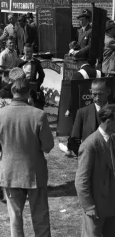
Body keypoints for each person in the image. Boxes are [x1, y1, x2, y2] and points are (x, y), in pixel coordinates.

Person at [0, 77, 54, 237]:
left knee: (15, 218)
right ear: (29, 93)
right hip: (35, 173)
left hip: (10, 173)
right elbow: (48, 146)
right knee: (40, 216)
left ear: (12, 93)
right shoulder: (38, 115)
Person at [75, 104, 115, 236]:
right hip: (96, 206)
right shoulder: (90, 145)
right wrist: (88, 206)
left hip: (110, 203)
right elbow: (81, 181)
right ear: (109, 122)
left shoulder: (112, 139)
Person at [60, 79, 110, 157]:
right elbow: (74, 140)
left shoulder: (113, 112)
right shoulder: (82, 113)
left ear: (108, 92)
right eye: (94, 94)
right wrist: (83, 155)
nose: (97, 98)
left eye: (100, 94)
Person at [17, 43, 45, 109]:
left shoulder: (36, 62)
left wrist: (37, 84)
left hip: (32, 86)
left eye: (30, 52)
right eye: (27, 51)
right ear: (23, 51)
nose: (28, 53)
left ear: (32, 52)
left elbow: (42, 75)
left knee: (33, 105)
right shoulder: (18, 61)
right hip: (20, 86)